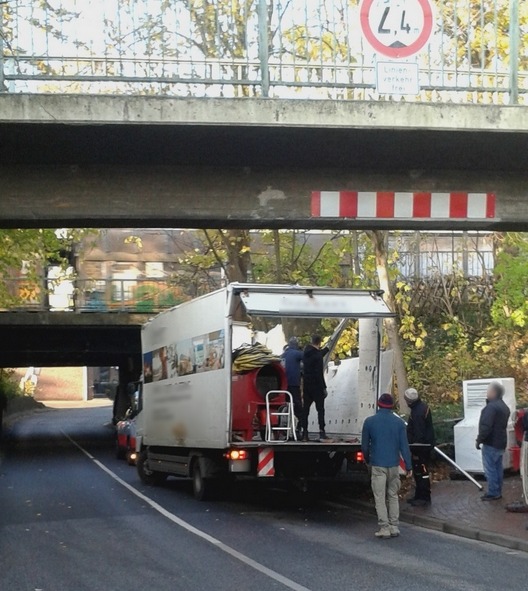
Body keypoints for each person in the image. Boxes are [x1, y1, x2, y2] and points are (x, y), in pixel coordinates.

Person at [361, 393, 412, 539]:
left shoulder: (370, 422)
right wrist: (408, 466)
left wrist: (367, 459)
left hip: (377, 464)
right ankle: (394, 526)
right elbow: (404, 446)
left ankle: (384, 527)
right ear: (392, 406)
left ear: (378, 404)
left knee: (379, 496)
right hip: (394, 465)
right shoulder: (399, 423)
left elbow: (365, 446)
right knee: (393, 495)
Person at [476, 381, 510, 501]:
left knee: (490, 468)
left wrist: (479, 440)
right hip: (501, 441)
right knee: (498, 468)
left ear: (494, 392)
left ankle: (493, 492)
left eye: (488, 391)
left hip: (491, 442)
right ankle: (497, 490)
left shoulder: (490, 408)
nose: (487, 393)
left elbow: (486, 426)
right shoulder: (504, 407)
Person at [404, 387, 435, 507]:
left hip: (420, 448)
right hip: (425, 446)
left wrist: (415, 449)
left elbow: (418, 433)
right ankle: (419, 495)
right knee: (421, 472)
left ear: (409, 400)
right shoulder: (423, 407)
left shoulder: (417, 412)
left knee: (421, 472)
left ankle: (423, 497)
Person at [301, 334, 329, 441]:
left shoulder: (305, 353)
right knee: (320, 410)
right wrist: (324, 387)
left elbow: (318, 353)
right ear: (320, 342)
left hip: (307, 385)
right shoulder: (318, 356)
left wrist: (325, 350)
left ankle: (304, 433)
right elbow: (319, 373)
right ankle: (322, 432)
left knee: (305, 410)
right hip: (317, 386)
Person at [281, 337, 304, 429]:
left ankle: (285, 426)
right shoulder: (297, 354)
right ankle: (300, 426)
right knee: (297, 405)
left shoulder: (283, 355)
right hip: (293, 384)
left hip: (283, 385)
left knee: (286, 404)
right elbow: (307, 358)